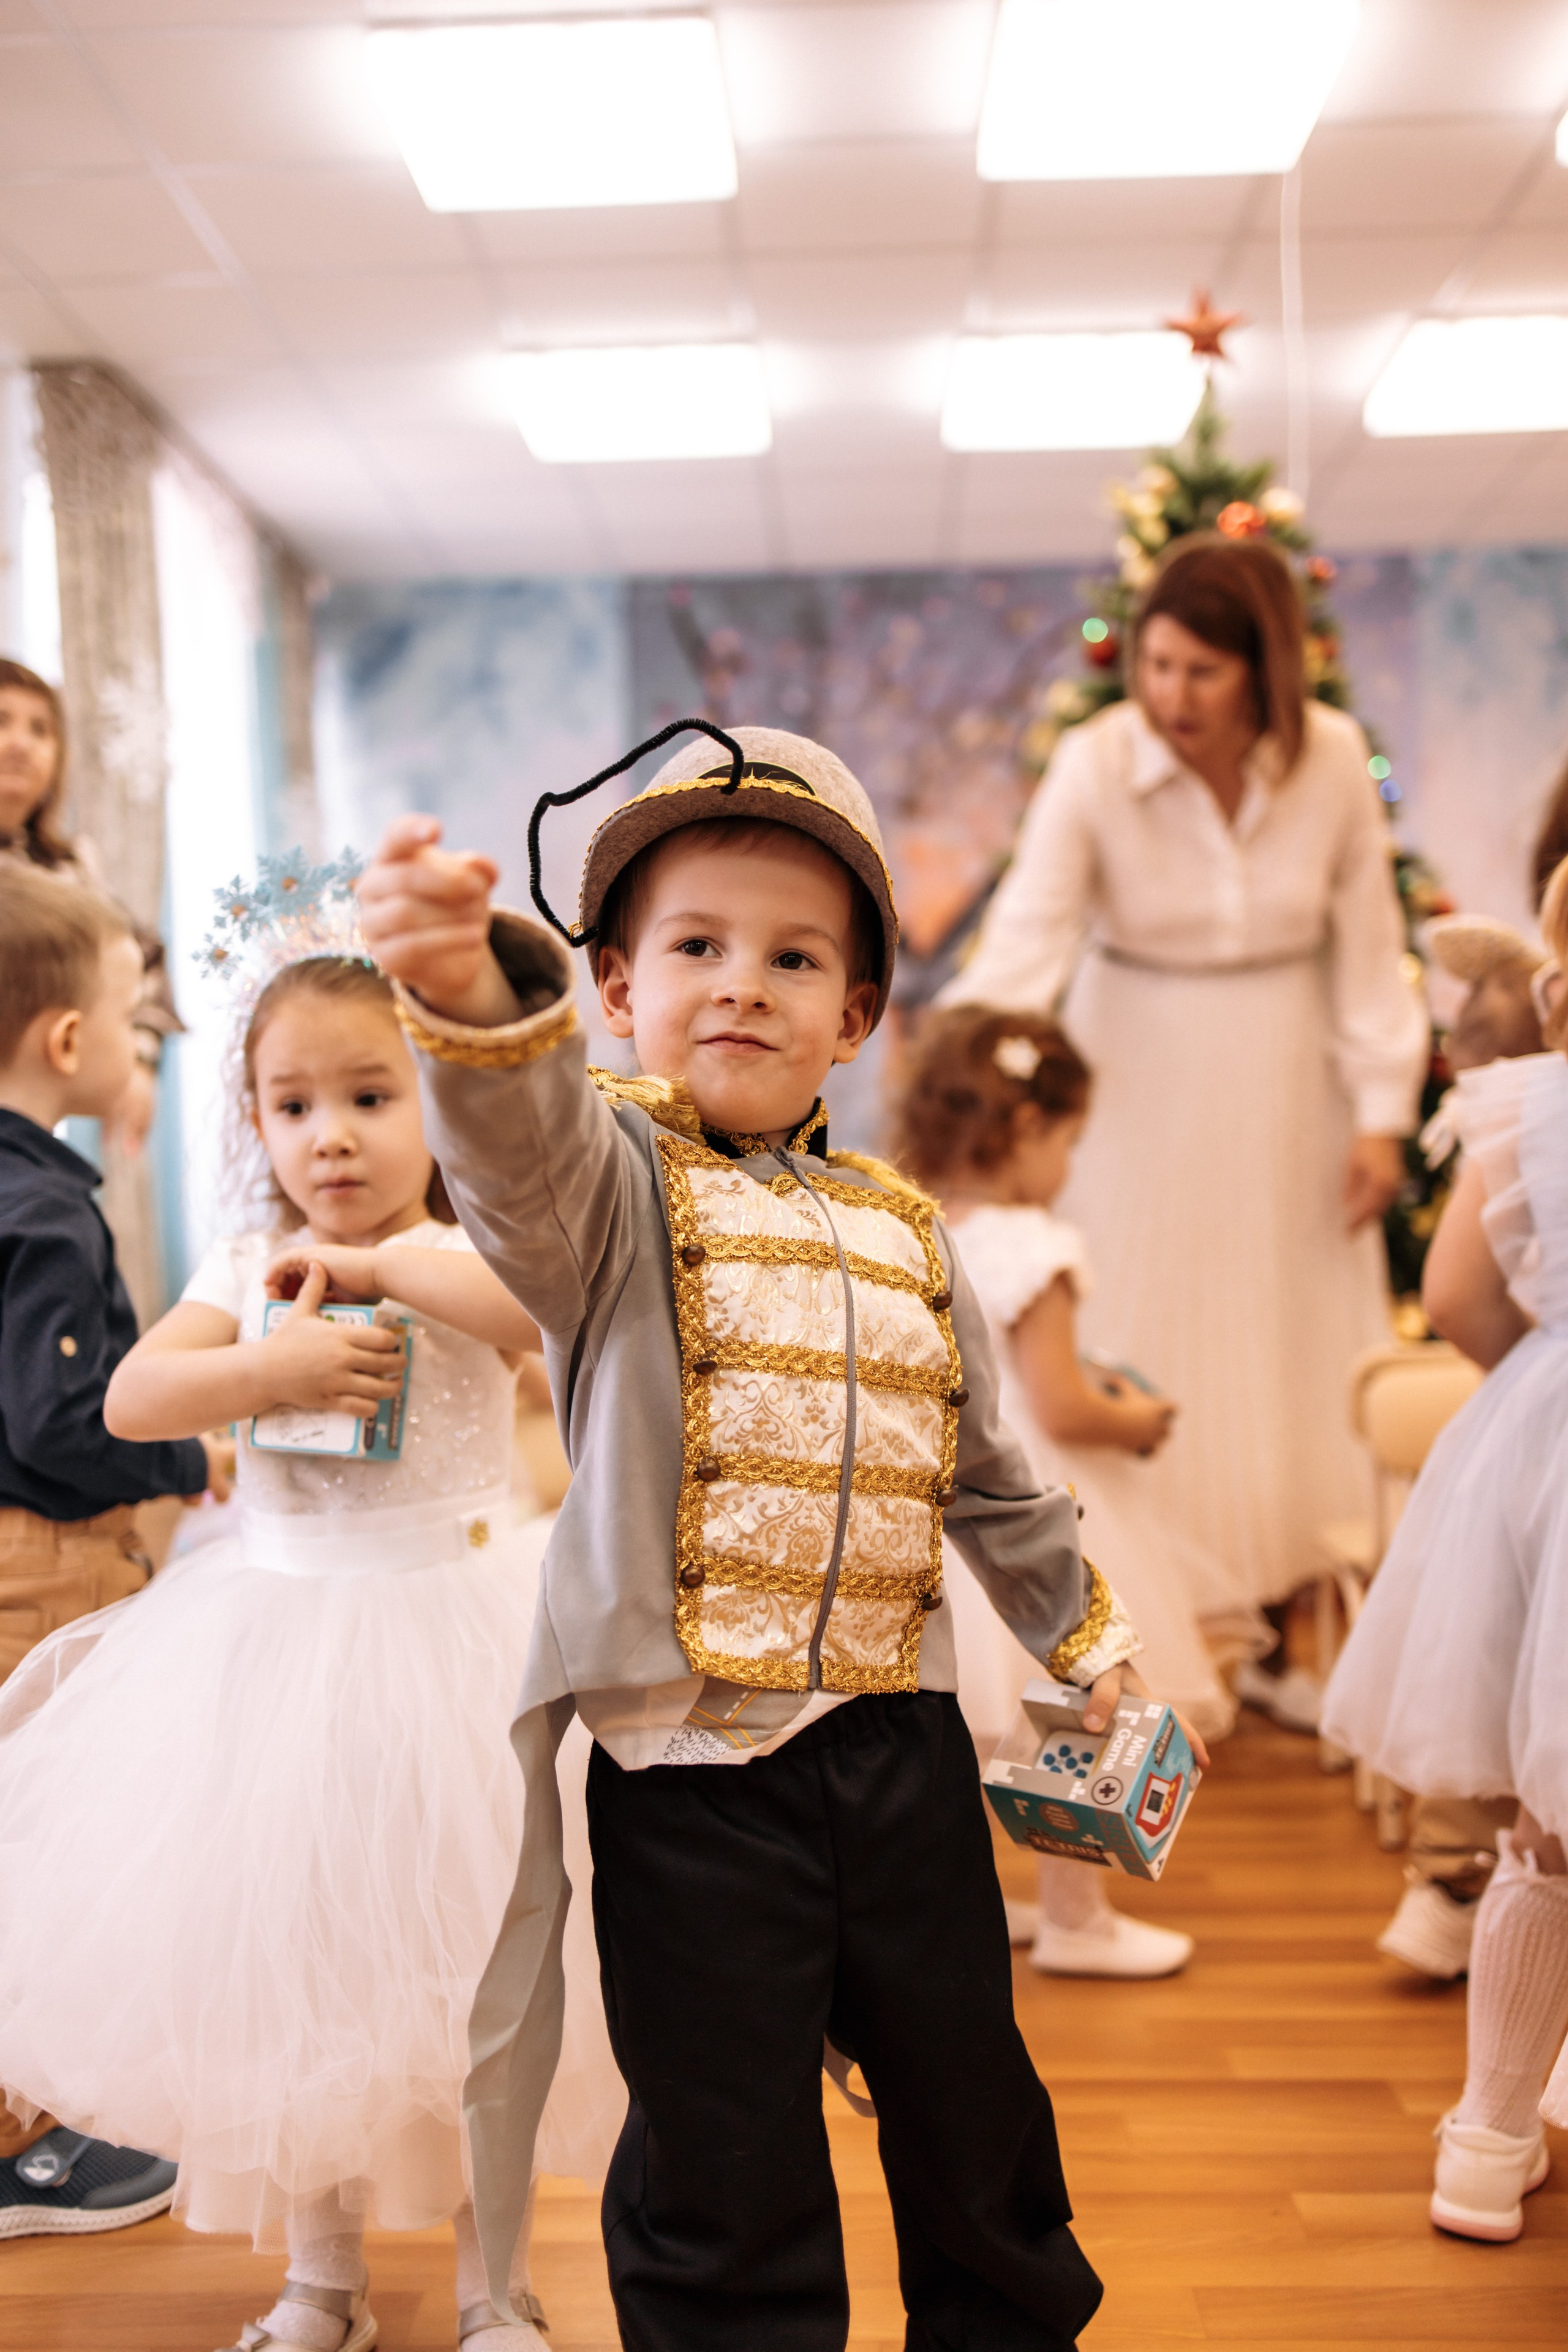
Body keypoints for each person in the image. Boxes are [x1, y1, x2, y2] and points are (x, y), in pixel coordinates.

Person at [358, 720, 1209, 2351]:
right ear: (615, 991)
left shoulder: (909, 1232)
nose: (743, 983)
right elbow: (517, 1158)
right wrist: (472, 996)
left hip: (902, 1760)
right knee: (724, 2163)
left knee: (977, 2119)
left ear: (859, 1014)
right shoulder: (608, 1195)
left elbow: (991, 1473)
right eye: (696, 946)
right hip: (692, 1782)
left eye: (795, 955)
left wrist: (1088, 1643)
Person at [0, 902, 622, 2350]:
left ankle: (496, 2286)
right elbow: (133, 1402)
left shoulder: (469, 1252)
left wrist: (388, 1266)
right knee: (302, 1978)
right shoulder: (243, 1263)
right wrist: (269, 1357)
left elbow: (539, 1329)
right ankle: (321, 2280)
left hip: (461, 1643)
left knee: (482, 1980)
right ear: (256, 1121)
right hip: (277, 1653)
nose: (329, 1136)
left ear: (439, 1106)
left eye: (367, 1096)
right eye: (293, 1105)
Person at [940, 536, 1428, 1727]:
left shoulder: (1323, 768)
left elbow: (1371, 955)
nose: (1168, 697)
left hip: (1286, 1077)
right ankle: (1145, 1632)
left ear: (1262, 672)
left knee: (1291, 1348)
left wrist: (1380, 1120)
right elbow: (1026, 940)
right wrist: (953, 1097)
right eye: (1152, 666)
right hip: (1132, 1075)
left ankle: (1276, 1637)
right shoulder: (1096, 762)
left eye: (1199, 672)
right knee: (1140, 1324)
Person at [1320, 856, 1568, 2245]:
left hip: (1550, 1447)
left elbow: (1455, 1294)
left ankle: (1483, 2134)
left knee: (1547, 1831)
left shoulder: (1528, 1109)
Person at [892, 1002, 1230, 1981]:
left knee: (976, 1724)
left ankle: (989, 1904)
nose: (1069, 1166)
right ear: (1026, 1130)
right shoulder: (1036, 1246)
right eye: (1069, 1142)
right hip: (1030, 1501)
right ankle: (1078, 1916)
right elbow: (1063, 1405)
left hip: (935, 1508)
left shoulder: (910, 1226)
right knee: (1082, 1712)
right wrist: (1141, 1420)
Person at [0, 861, 222, 2238]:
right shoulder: (44, 1207)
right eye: (137, 1024)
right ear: (70, 1041)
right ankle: (28, 2146)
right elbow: (64, 1419)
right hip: (44, 1563)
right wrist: (198, 1453)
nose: (144, 1050)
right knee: (41, 1843)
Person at [1374, 913, 1544, 1985]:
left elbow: (1451, 1294)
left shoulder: (1515, 1115)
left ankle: (1450, 1878)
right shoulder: (1532, 1110)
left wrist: (1525, 1377)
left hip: (1527, 1430)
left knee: (1489, 1642)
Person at [0, 657, 179, 1153]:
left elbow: (140, 960)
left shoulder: (73, 868)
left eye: (41, 730)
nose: (21, 743)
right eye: (2, 721)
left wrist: (137, 1062)